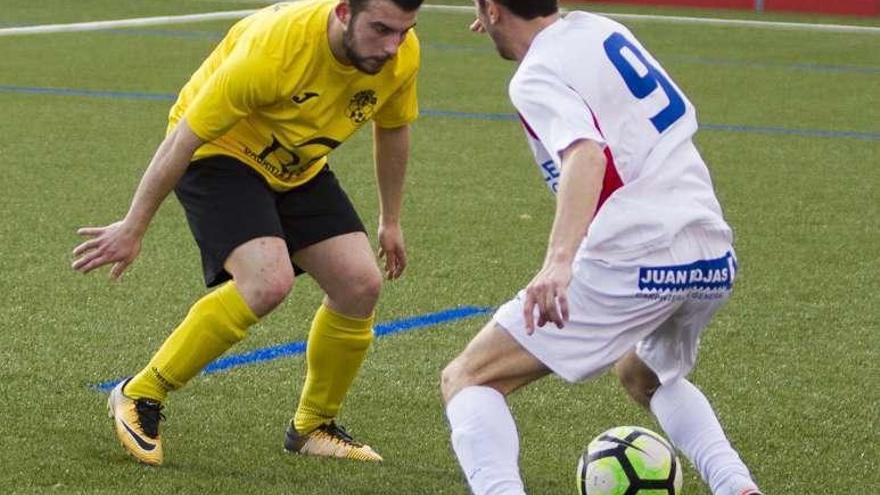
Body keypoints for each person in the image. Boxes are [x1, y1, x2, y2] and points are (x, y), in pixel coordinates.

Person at [72, 0, 422, 466]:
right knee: (266, 281)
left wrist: (391, 219)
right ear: (343, 12)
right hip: (221, 151)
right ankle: (140, 393)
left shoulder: (400, 54)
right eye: (381, 29)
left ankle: (312, 426)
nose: (392, 46)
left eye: (404, 31)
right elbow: (185, 138)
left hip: (297, 162)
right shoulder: (275, 50)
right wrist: (134, 226)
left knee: (360, 284)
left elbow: (393, 127)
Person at [440, 1, 763, 494]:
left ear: (491, 9)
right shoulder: (598, 27)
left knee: (469, 378)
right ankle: (737, 487)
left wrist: (558, 263)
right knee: (642, 374)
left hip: (635, 255)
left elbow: (585, 155)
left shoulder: (534, 75)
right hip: (710, 254)